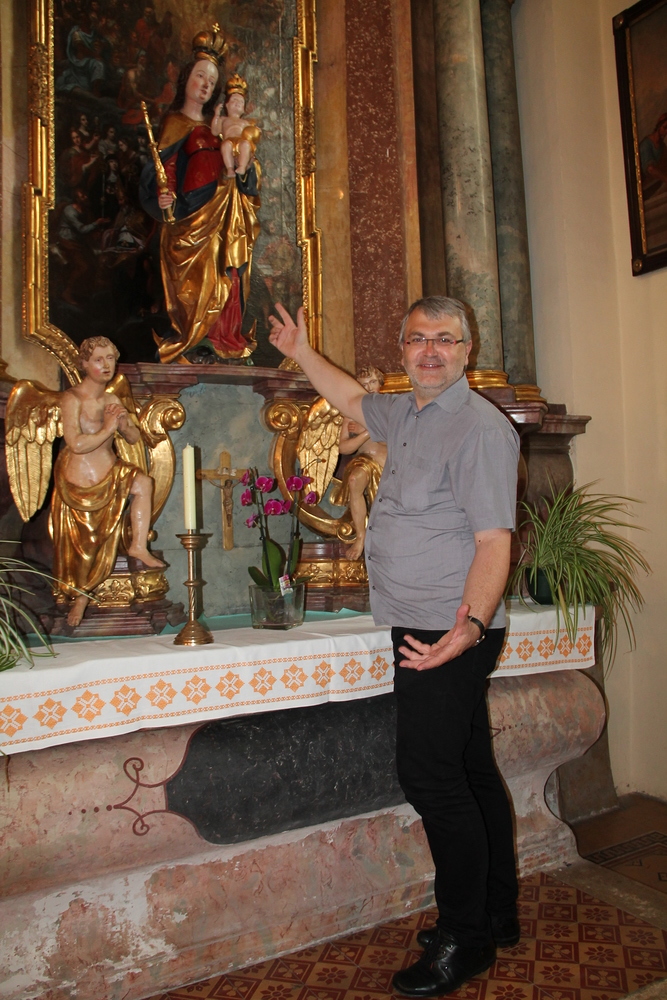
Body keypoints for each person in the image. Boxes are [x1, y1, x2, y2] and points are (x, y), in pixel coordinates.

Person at [268, 296, 520, 997]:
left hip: (446, 626)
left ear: (467, 349)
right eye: (417, 339)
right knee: (469, 768)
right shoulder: (405, 413)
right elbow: (350, 398)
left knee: (431, 778)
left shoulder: (479, 429)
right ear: (403, 349)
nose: (430, 350)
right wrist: (300, 352)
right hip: (424, 620)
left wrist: (466, 630)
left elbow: (493, 540)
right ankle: (494, 912)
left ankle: (465, 937)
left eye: (445, 339)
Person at [139, 29, 260, 363]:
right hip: (189, 216)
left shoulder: (219, 127)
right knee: (197, 279)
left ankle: (223, 337)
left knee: (228, 269)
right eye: (200, 76)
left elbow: (243, 164)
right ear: (187, 79)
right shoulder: (174, 123)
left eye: (212, 81)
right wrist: (163, 199)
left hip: (224, 206)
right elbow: (162, 171)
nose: (206, 84)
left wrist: (245, 171)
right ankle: (193, 335)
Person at [54, 336, 164, 626]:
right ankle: (80, 597)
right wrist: (107, 428)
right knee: (89, 545)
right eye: (98, 360)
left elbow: (134, 437)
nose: (106, 365)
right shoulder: (72, 399)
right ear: (84, 364)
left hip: (111, 471)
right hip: (80, 481)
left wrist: (125, 425)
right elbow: (76, 444)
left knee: (143, 483)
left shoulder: (113, 399)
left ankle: (138, 546)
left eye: (111, 359)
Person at [330, 365, 387, 561]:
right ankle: (361, 537)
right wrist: (366, 433)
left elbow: (398, 438)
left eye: (373, 382)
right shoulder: (351, 412)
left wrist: (370, 428)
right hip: (365, 461)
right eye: (363, 384)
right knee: (354, 479)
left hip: (389, 464)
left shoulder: (389, 408)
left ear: (381, 384)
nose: (369, 387)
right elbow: (344, 448)